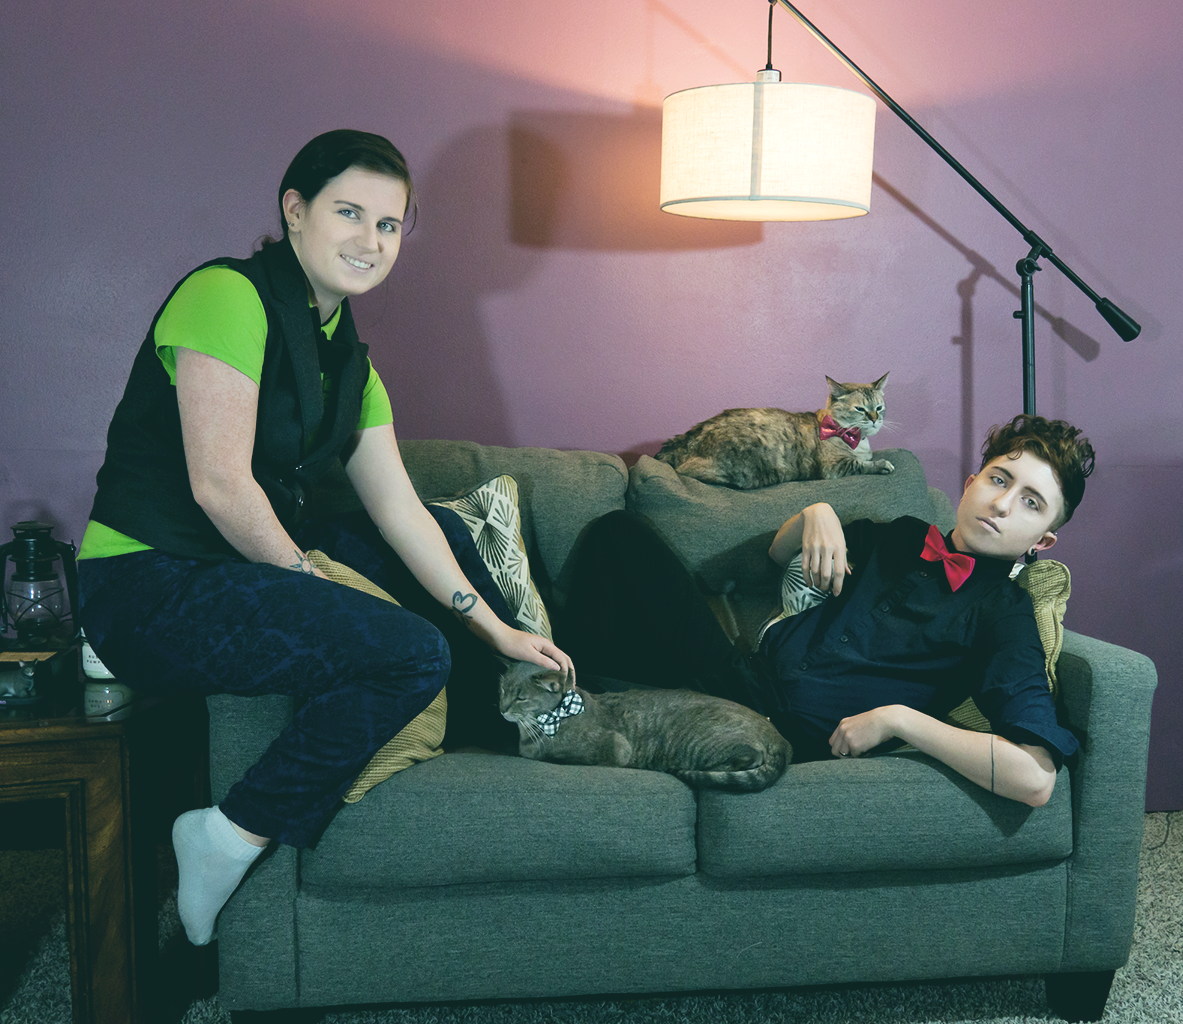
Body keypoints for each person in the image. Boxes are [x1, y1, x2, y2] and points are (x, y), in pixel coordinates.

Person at [77, 130, 573, 946]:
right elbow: (219, 484)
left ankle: (508, 724)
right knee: (413, 651)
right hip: (148, 584)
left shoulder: (352, 363)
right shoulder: (225, 294)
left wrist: (496, 627)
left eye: (388, 225)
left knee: (444, 530)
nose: (370, 240)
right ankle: (225, 833)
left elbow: (400, 510)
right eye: (349, 212)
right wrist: (308, 577)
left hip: (235, 570)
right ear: (295, 210)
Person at [560, 415, 1093, 808]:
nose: (1002, 504)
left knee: (595, 695)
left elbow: (1035, 778)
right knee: (618, 536)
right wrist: (816, 513)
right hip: (736, 674)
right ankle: (569, 690)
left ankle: (575, 706)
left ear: (1042, 541)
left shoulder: (1004, 615)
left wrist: (901, 720)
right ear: (971, 482)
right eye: (1000, 479)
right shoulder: (902, 535)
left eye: (1030, 502)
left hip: (775, 734)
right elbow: (777, 555)